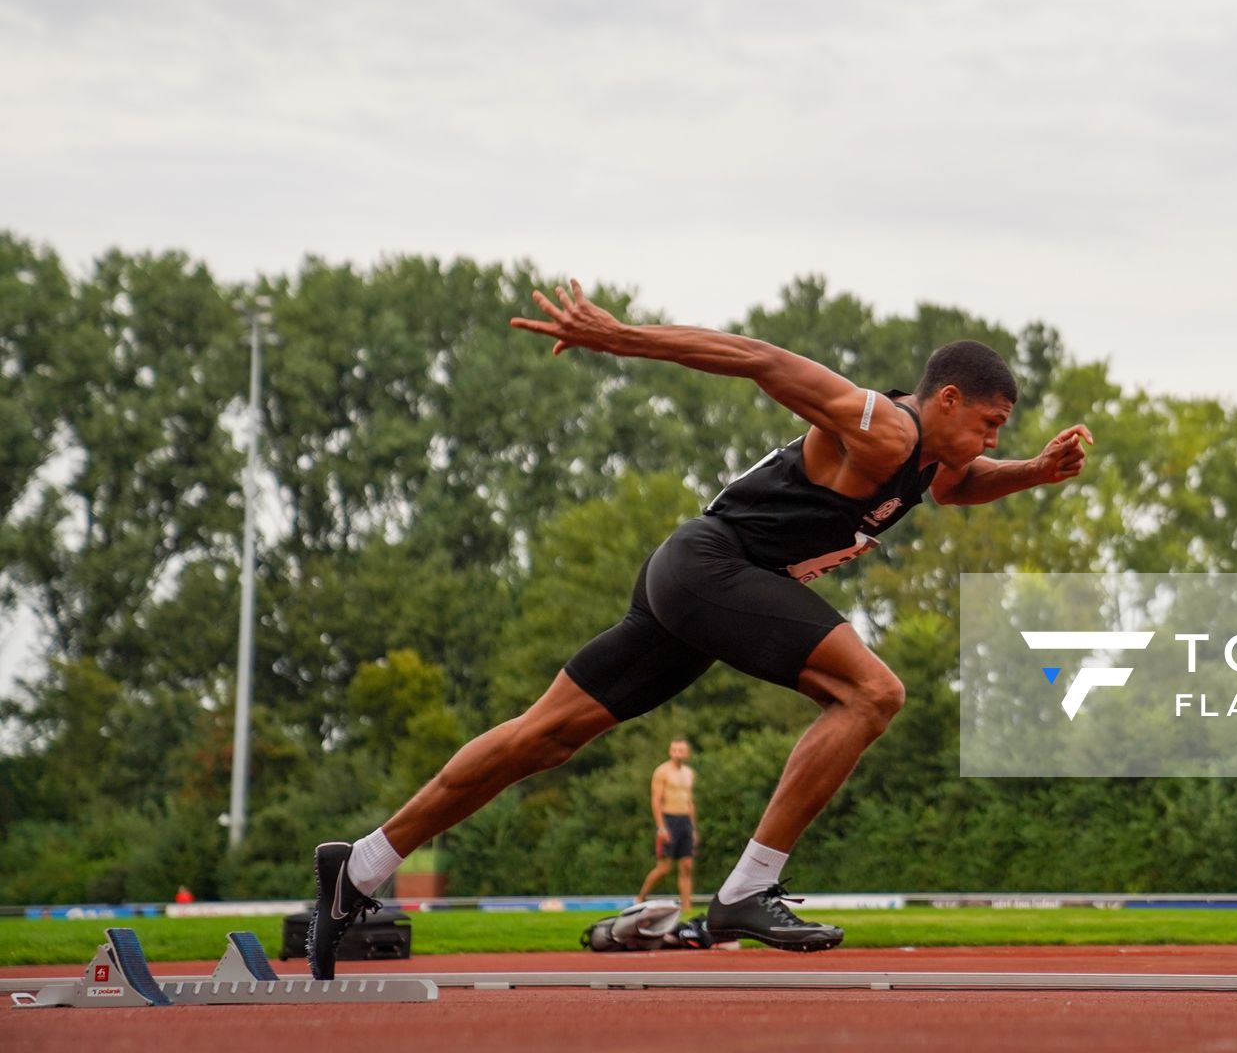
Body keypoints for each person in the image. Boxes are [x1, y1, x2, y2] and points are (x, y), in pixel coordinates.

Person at [304, 283, 1093, 978]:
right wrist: (619, 337)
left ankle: (361, 866)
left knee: (544, 737)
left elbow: (958, 488)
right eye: (990, 425)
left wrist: (1032, 471)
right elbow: (756, 356)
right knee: (872, 692)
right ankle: (748, 890)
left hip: (696, 582)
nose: (993, 442)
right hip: (713, 569)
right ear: (948, 399)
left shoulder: (928, 463)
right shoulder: (883, 427)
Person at [635, 737, 699, 918]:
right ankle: (640, 897)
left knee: (687, 865)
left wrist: (693, 828)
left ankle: (687, 907)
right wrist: (661, 827)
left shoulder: (688, 773)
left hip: (685, 820)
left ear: (687, 752)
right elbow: (656, 799)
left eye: (681, 750)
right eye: (674, 750)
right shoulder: (662, 772)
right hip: (669, 820)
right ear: (670, 752)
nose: (678, 754)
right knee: (664, 868)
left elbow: (689, 801)